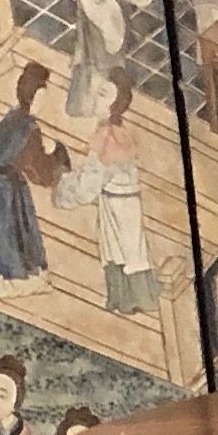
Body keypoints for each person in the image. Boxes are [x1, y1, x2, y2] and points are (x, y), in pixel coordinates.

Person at [70, 75, 157, 313]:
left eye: (103, 95)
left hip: (120, 200)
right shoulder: (113, 130)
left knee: (126, 250)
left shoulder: (108, 134)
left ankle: (135, 299)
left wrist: (73, 191)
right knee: (121, 250)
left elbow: (94, 171)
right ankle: (122, 299)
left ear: (114, 104)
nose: (97, 99)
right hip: (120, 199)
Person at [0, 60, 67, 285]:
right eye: (42, 96)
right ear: (34, 96)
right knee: (17, 229)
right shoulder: (27, 128)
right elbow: (38, 169)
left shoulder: (11, 118)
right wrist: (58, 156)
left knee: (7, 227)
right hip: (10, 184)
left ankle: (12, 272)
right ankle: (19, 274)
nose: (44, 102)